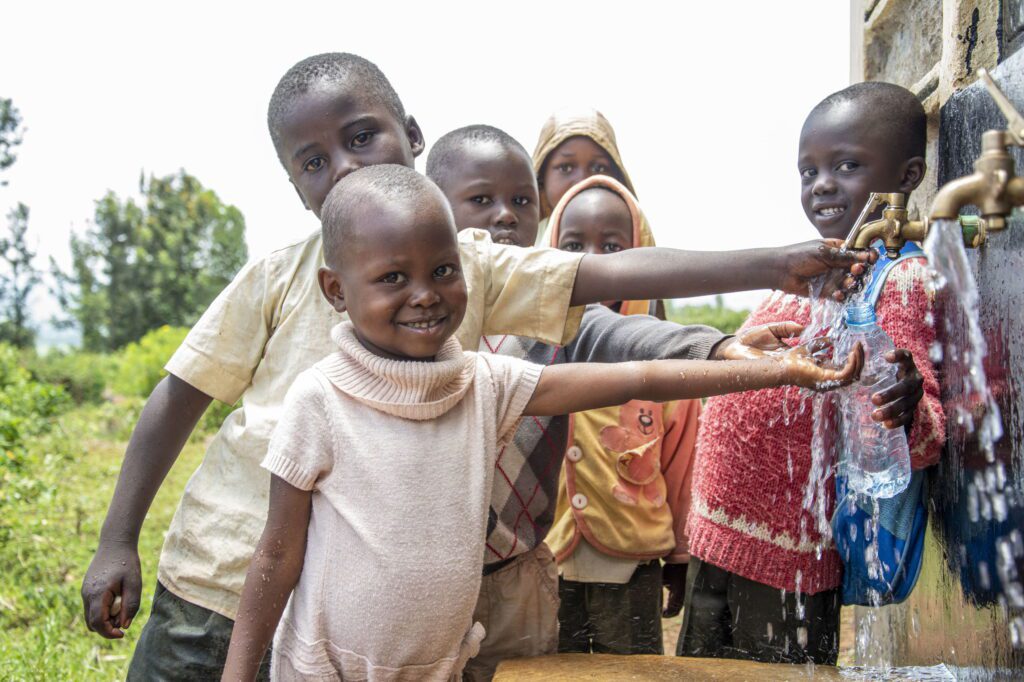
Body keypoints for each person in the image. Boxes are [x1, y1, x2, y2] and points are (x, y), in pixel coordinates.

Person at [80, 52, 871, 680]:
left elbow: (614, 290)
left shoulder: (473, 270)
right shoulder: (281, 280)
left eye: (362, 138)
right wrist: (117, 540)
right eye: (314, 162)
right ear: (298, 191)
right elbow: (178, 397)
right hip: (221, 574)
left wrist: (770, 264)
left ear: (411, 133)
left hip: (342, 609)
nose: (346, 169)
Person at [220, 164, 863, 681]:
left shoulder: (483, 383)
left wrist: (770, 369)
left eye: (444, 271)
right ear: (337, 290)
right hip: (323, 669)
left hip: (442, 668)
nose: (425, 293)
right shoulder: (319, 399)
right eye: (392, 278)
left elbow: (638, 377)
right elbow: (277, 555)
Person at [428, 125, 793, 679]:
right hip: (423, 572)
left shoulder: (552, 316)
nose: (504, 216)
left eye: (522, 201)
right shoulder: (415, 316)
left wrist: (718, 346)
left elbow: (637, 343)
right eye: (482, 201)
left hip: (514, 572)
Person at [677, 82, 946, 665]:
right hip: (720, 542)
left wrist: (907, 401)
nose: (821, 183)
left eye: (846, 165)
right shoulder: (823, 264)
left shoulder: (897, 279)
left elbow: (923, 433)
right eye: (808, 170)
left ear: (906, 177)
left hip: (786, 566)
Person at [545, 175, 697, 655]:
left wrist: (680, 556)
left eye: (613, 246)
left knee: (631, 667)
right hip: (544, 562)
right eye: (573, 245)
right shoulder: (527, 351)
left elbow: (682, 465)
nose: (594, 260)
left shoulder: (668, 366)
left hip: (632, 565)